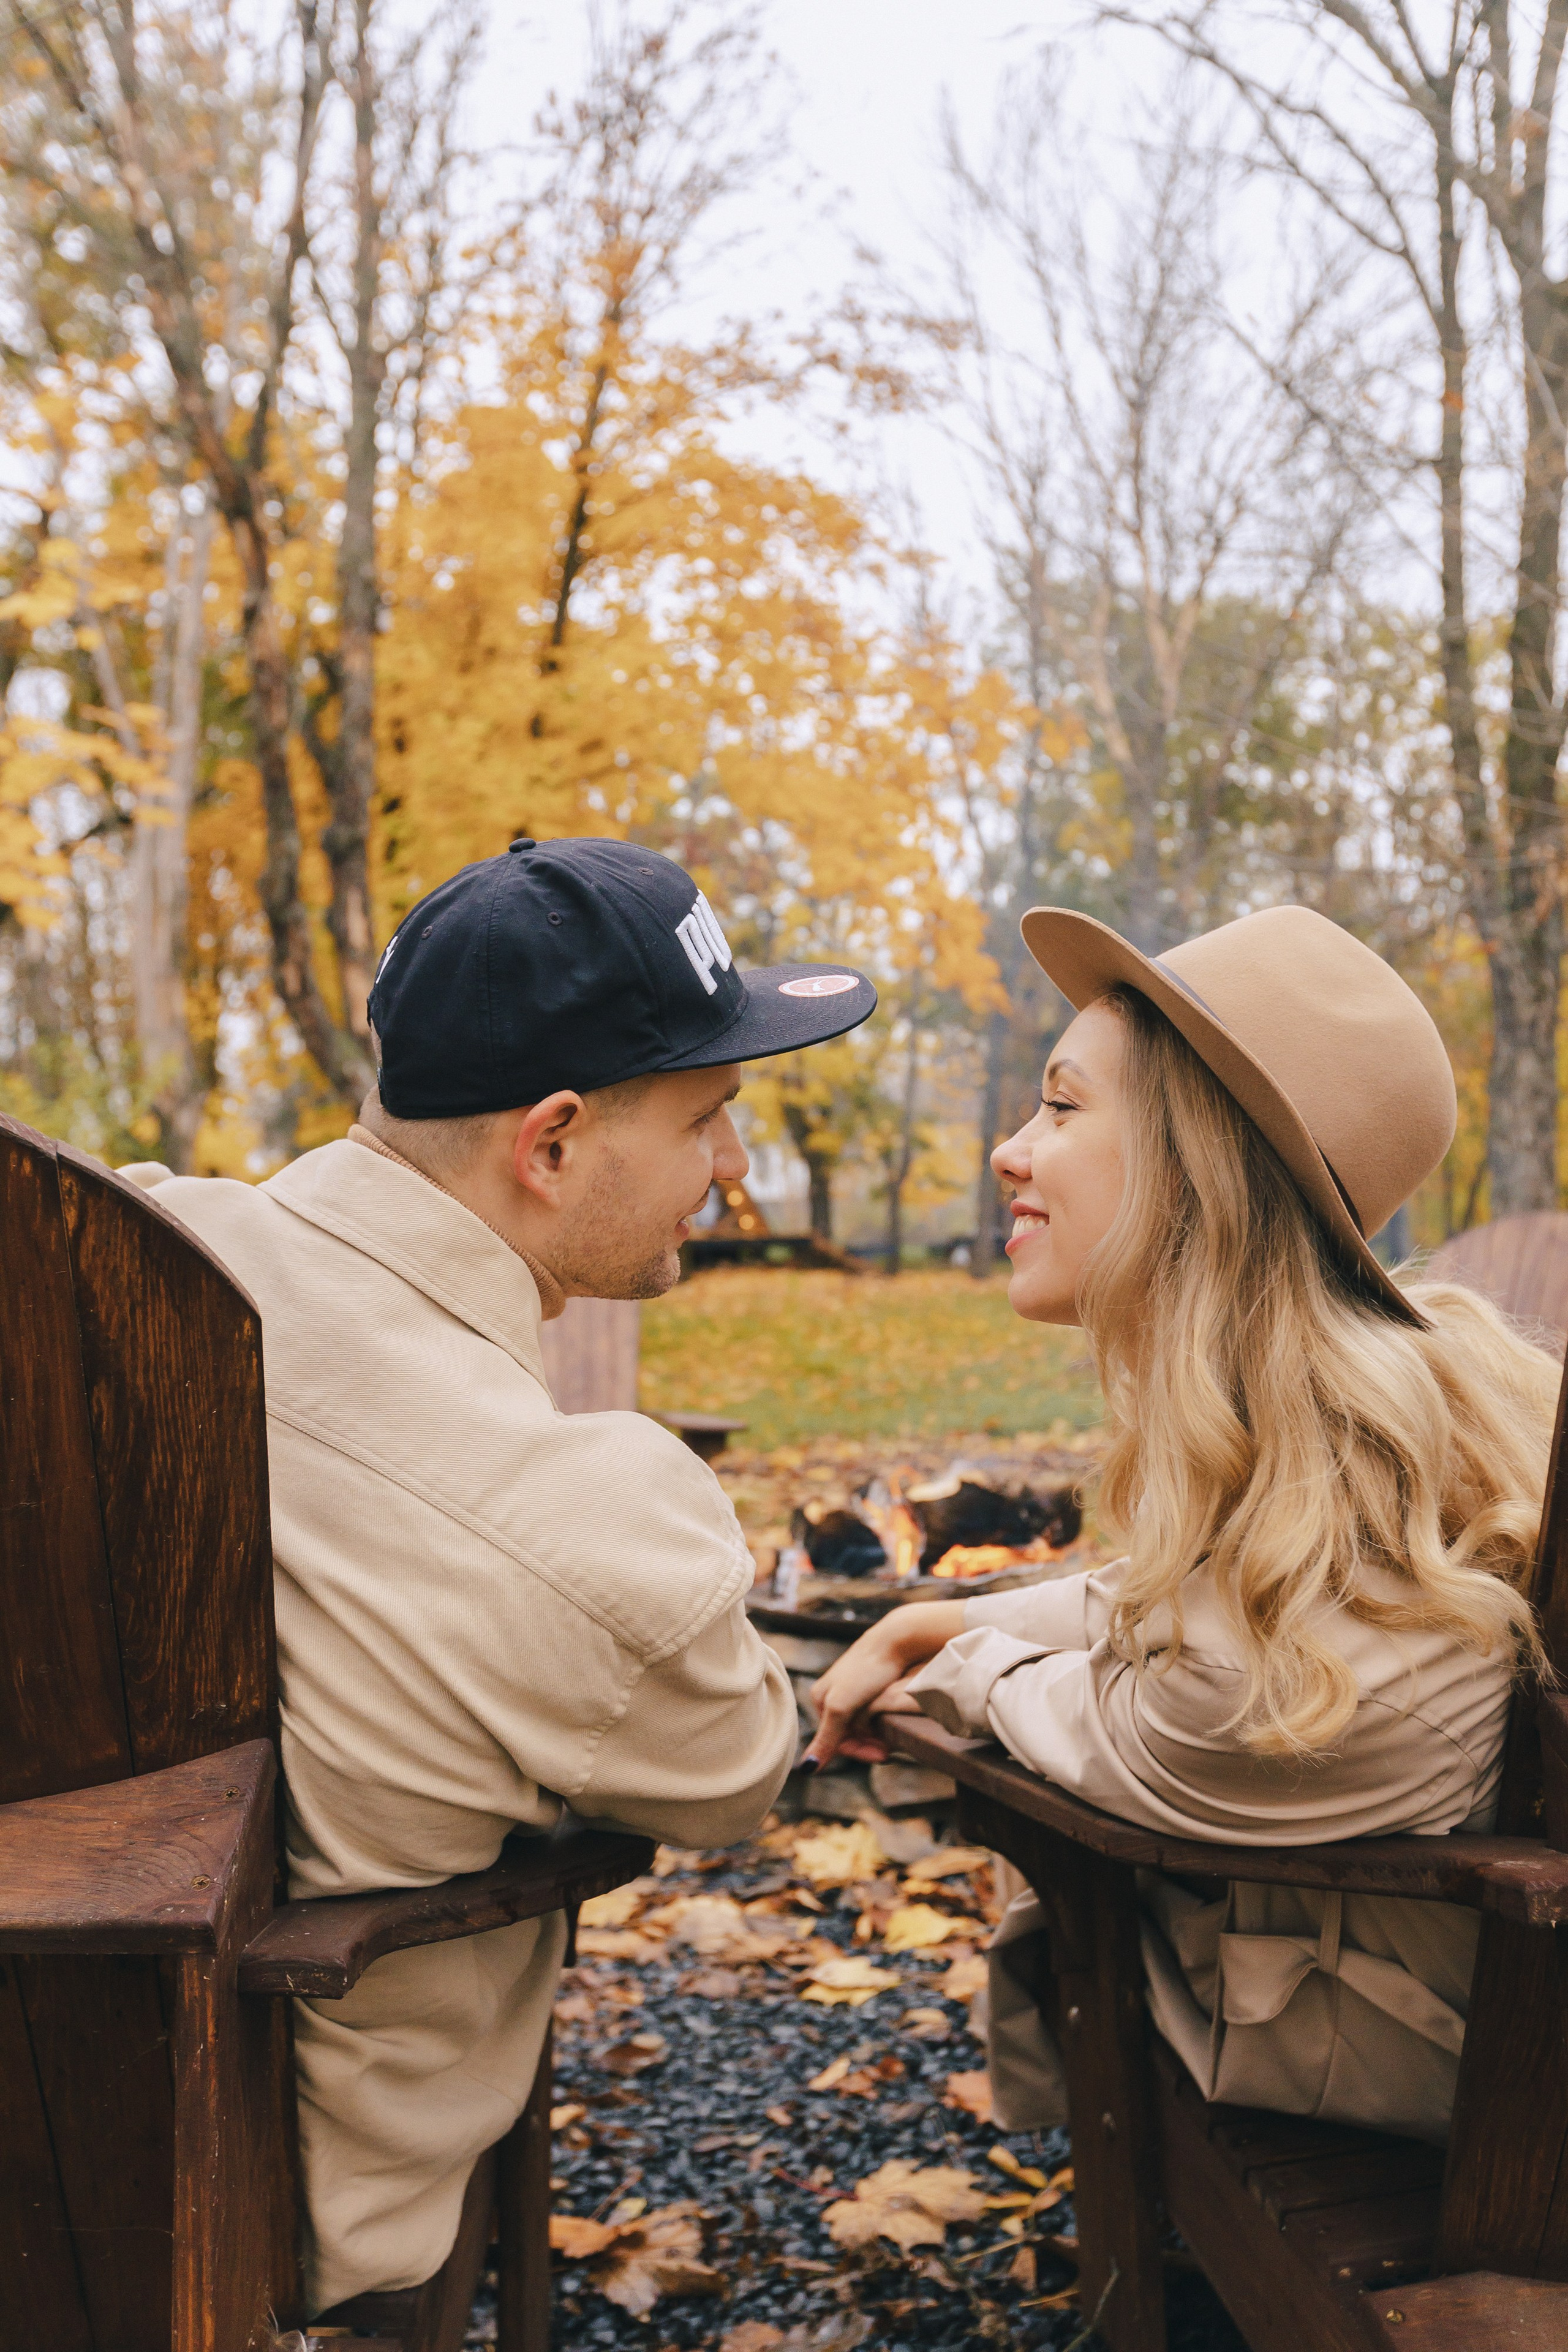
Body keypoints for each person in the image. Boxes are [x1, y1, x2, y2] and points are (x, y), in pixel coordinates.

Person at [123, 835, 876, 2313]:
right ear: (550, 1144)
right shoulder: (578, 1522)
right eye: (711, 1118)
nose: (732, 1169)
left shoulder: (115, 1253)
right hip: (262, 2212)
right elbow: (732, 1771)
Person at [804, 902, 1556, 2145]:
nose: (1007, 1149)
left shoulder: (1336, 1533)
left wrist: (967, 1673)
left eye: (1057, 1107)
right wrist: (950, 1612)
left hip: (1486, 2110)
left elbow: (1170, 1719)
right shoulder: (1345, 1439)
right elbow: (1183, 1597)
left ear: (1191, 1163)